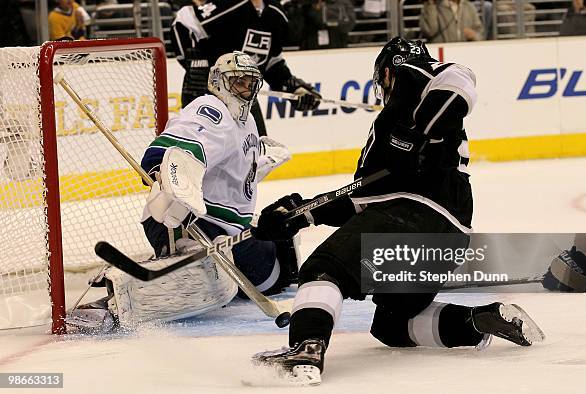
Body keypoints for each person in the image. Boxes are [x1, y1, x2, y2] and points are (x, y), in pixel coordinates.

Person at [249, 37, 543, 385]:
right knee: (392, 324)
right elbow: (363, 198)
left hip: (410, 216)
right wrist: (303, 213)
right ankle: (479, 320)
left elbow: (458, 85)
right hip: (447, 237)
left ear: (386, 73)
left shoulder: (420, 79)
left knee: (325, 269)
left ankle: (305, 350)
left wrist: (416, 136)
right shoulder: (387, 130)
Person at [67, 52, 297, 333]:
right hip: (186, 220)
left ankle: (193, 270)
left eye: (251, 83)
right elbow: (179, 144)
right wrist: (167, 179)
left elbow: (231, 161)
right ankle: (109, 304)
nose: (247, 90)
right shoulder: (210, 109)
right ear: (218, 82)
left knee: (276, 270)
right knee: (209, 277)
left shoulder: (246, 120)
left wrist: (261, 160)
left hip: (229, 229)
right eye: (239, 83)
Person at [170, 0, 322, 136]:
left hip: (246, 101)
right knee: (202, 157)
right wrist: (196, 64)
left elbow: (270, 61)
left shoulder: (276, 13)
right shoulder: (227, 5)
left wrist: (291, 87)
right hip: (210, 100)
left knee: (257, 158)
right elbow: (184, 20)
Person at [419, 0, 483, 42]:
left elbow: (480, 33)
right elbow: (429, 31)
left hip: (465, 53)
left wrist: (474, 35)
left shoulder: (468, 6)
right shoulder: (431, 6)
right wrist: (431, 5)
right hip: (442, 55)